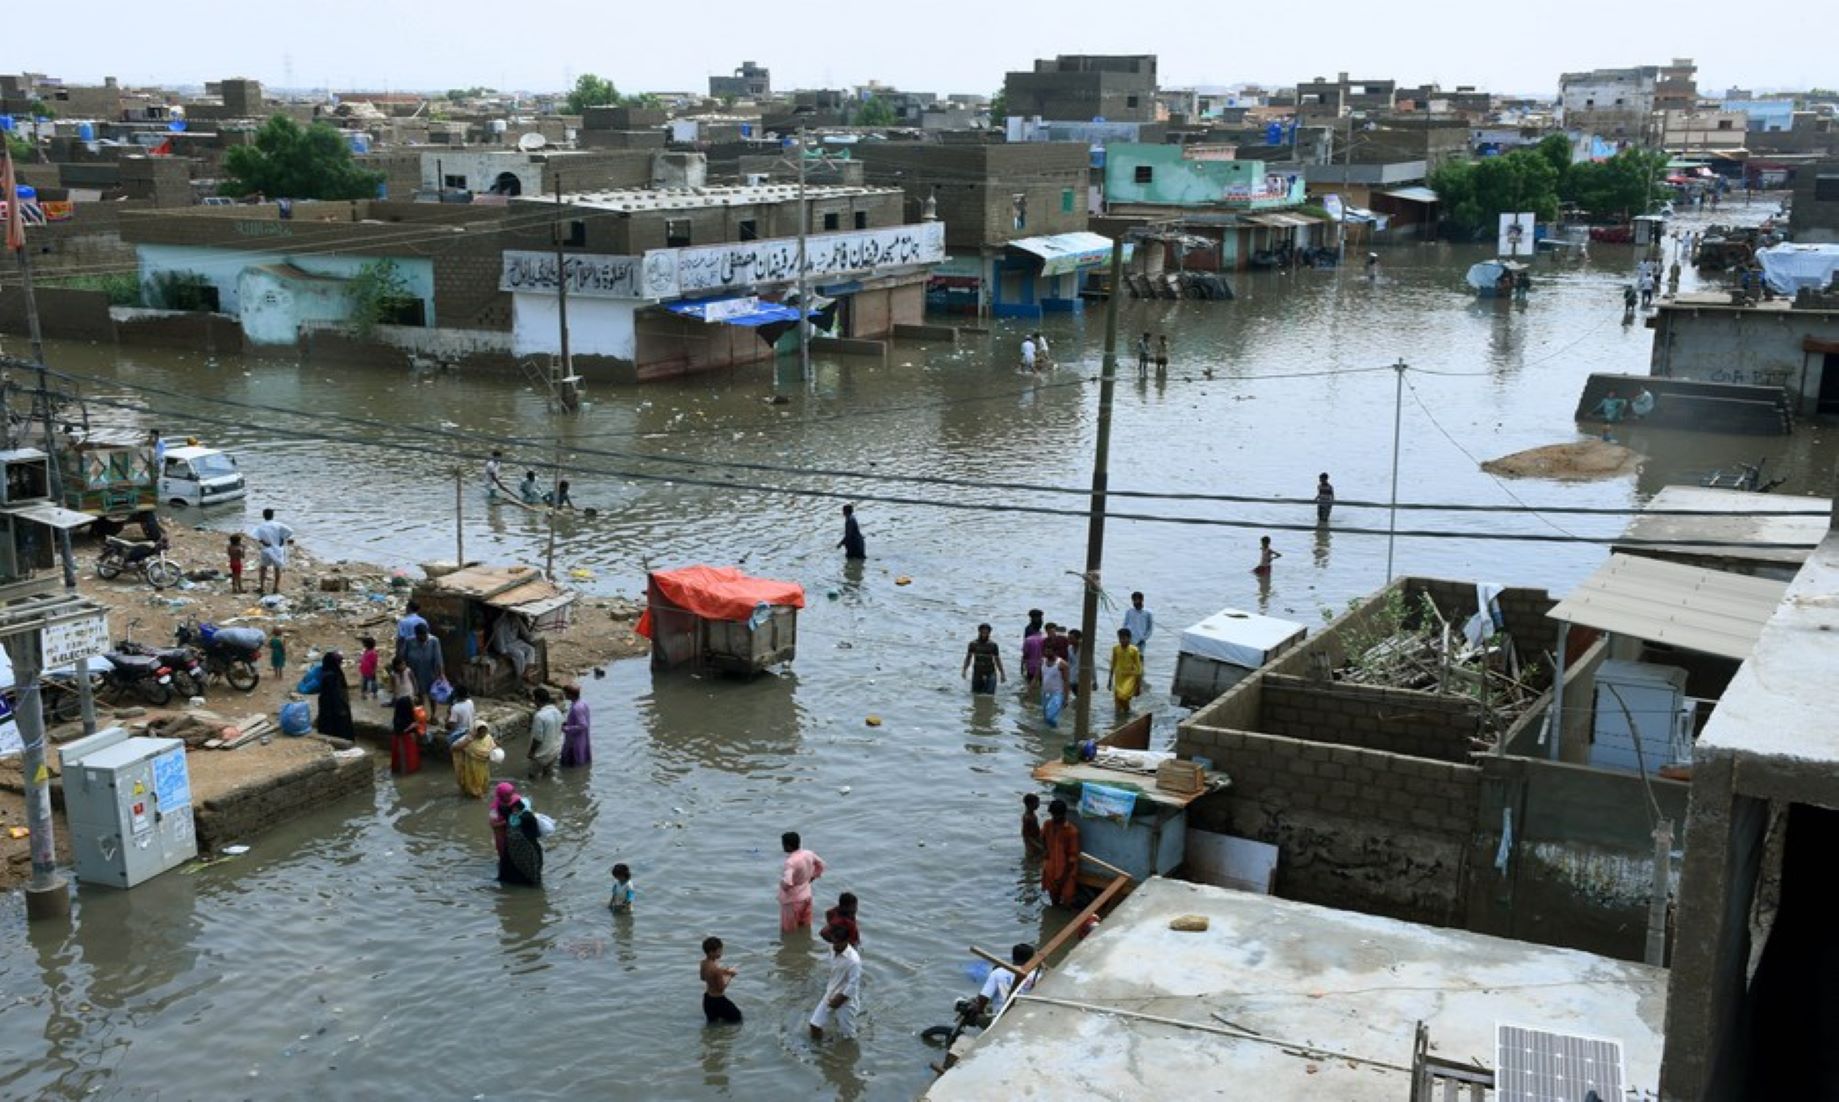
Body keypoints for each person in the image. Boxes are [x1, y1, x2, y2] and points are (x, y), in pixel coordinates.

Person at [809, 927, 862, 1041]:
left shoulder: (853, 961)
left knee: (848, 1037)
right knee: (814, 1025)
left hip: (845, 1001)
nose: (835, 946)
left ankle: (847, 1055)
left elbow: (853, 984)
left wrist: (840, 999)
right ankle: (819, 1051)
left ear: (846, 941)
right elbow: (823, 932)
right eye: (833, 942)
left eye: (838, 943)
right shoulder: (832, 948)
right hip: (830, 993)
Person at [972, 942, 1038, 1019]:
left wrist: (979, 1010)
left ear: (1013, 956)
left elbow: (984, 997)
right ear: (1031, 958)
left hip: (999, 1016)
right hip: (1026, 1016)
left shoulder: (998, 972)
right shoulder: (1037, 975)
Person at [401, 623, 446, 734]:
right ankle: (420, 717)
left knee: (432, 695)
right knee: (418, 695)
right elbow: (403, 657)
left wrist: (441, 674)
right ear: (416, 635)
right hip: (414, 672)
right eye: (420, 636)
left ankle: (433, 715)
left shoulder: (434, 641)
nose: (422, 638)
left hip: (430, 672)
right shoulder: (409, 641)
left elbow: (438, 659)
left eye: (424, 636)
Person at [778, 831, 825, 932]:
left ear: (788, 846)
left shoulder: (790, 862)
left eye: (783, 844)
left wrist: (782, 885)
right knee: (805, 925)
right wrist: (813, 876)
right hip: (807, 896)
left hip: (792, 901)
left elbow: (788, 883)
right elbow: (821, 864)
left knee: (789, 930)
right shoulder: (808, 854)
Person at [1041, 798, 1080, 907]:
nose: (1054, 817)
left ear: (1063, 814)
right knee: (1053, 898)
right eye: (1052, 815)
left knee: (1067, 897)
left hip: (1067, 870)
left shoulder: (1072, 832)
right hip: (1051, 867)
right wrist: (1045, 851)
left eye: (1056, 815)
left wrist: (1063, 877)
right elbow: (1042, 838)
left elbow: (1073, 858)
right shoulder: (1047, 825)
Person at [498, 795, 544, 886]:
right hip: (524, 852)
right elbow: (537, 834)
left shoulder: (515, 817)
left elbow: (501, 807)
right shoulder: (527, 816)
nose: (513, 809)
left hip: (517, 852)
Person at [389, 656, 422, 775]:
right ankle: (405, 770)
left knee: (411, 716)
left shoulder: (408, 671)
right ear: (396, 666)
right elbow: (392, 686)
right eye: (401, 665)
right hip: (400, 699)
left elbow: (414, 682)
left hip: (409, 696)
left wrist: (416, 693)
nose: (403, 666)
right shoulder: (393, 674)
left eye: (404, 664)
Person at [251, 508, 294, 596]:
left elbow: (253, 535)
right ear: (273, 516)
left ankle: (262, 587)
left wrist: (262, 541)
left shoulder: (260, 526)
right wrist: (283, 538)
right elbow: (290, 531)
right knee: (277, 569)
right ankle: (275, 587)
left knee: (263, 568)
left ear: (263, 516)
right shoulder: (278, 525)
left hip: (266, 549)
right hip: (278, 549)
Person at [314, 652, 355, 743]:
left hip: (328, 703)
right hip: (334, 704)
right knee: (337, 725)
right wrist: (341, 707)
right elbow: (335, 693)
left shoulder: (328, 672)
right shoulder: (332, 675)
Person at [451, 719, 496, 799]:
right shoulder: (468, 739)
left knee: (484, 781)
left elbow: (493, 747)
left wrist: (495, 753)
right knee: (474, 782)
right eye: (481, 732)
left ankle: (480, 791)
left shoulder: (488, 738)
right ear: (475, 731)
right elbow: (454, 747)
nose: (483, 734)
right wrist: (466, 743)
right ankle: (475, 794)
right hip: (472, 766)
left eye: (484, 732)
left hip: (483, 765)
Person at [701, 937, 743, 1024]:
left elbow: (703, 978)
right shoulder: (716, 970)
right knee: (738, 1018)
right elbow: (721, 988)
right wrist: (730, 976)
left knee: (712, 1023)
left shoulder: (703, 963)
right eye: (719, 951)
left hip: (707, 1000)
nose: (721, 953)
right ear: (712, 952)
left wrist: (726, 971)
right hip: (719, 1001)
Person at [489, 612, 538, 681]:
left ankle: (528, 671)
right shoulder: (499, 623)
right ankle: (520, 675)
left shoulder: (516, 618)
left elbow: (525, 632)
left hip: (514, 642)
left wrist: (532, 640)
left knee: (531, 649)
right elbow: (499, 643)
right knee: (519, 654)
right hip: (505, 645)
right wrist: (504, 653)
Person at [527, 687, 563, 780]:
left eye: (533, 698)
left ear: (537, 699)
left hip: (542, 754)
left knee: (532, 778)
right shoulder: (557, 711)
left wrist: (531, 752)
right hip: (555, 750)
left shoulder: (539, 716)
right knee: (548, 776)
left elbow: (537, 739)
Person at [1108, 628, 1144, 717]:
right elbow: (1113, 664)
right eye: (1120, 638)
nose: (1122, 640)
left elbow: (1139, 668)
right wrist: (1109, 680)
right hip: (1119, 677)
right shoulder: (1115, 649)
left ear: (1129, 638)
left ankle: (1128, 711)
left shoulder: (1134, 650)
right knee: (1117, 703)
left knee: (1122, 696)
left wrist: (1138, 686)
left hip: (1130, 677)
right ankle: (1121, 721)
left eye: (1124, 638)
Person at [962, 623, 1005, 695]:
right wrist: (964, 670)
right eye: (983, 632)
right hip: (977, 672)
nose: (984, 634)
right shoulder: (973, 644)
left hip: (990, 672)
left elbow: (997, 660)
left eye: (986, 632)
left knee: (990, 695)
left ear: (989, 633)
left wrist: (1002, 673)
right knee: (975, 694)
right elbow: (968, 658)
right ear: (979, 632)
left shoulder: (993, 645)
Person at [559, 683, 592, 767]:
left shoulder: (576, 708)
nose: (564, 695)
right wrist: (568, 722)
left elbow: (583, 725)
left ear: (570, 695)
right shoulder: (583, 703)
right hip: (583, 738)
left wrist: (566, 728)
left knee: (570, 763)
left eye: (565, 693)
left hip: (575, 740)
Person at [1040, 646, 1068, 728]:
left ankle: (1057, 730)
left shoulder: (1062, 664)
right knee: (1045, 718)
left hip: (1057, 694)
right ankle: (1050, 737)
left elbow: (1066, 681)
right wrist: (1029, 691)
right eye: (1046, 651)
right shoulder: (1042, 661)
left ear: (1055, 652)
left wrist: (1066, 698)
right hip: (1045, 693)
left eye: (1049, 651)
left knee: (1050, 717)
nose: (1047, 653)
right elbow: (1036, 677)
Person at [489, 782, 519, 859]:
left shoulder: (514, 799)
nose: (510, 796)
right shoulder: (494, 809)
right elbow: (493, 824)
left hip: (512, 831)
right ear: (501, 796)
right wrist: (505, 822)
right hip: (501, 834)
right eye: (507, 795)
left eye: (511, 793)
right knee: (503, 855)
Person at [446, 682, 476, 747]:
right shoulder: (470, 702)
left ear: (456, 695)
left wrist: (448, 715)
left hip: (460, 734)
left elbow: (451, 726)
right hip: (470, 730)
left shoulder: (455, 708)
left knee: (446, 741)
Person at [1020, 627, 1045, 695]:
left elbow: (1025, 654)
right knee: (1042, 685)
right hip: (1043, 666)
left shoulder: (1028, 640)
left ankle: (1031, 698)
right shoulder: (1044, 639)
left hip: (1031, 666)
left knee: (1030, 684)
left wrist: (1022, 666)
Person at [1021, 793, 1045, 859]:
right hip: (1032, 843)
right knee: (1032, 859)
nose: (1038, 805)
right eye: (1036, 803)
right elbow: (1026, 835)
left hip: (1035, 840)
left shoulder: (1032, 815)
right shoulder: (1028, 817)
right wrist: (1038, 845)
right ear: (1030, 804)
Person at [357, 636, 380, 702]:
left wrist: (374, 670)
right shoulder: (368, 651)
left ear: (366, 645)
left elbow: (374, 663)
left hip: (369, 671)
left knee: (369, 682)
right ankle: (367, 693)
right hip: (366, 670)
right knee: (367, 682)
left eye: (364, 644)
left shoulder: (372, 653)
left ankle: (372, 693)